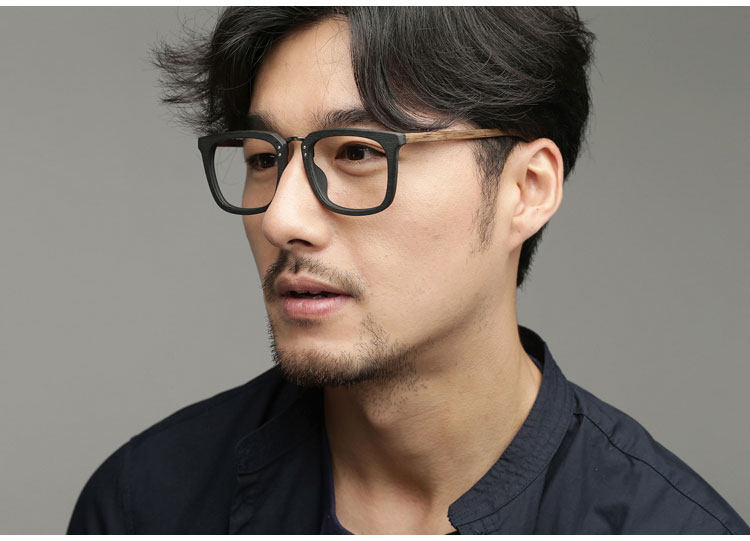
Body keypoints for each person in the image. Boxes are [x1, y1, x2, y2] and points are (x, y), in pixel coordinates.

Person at [67, 7, 749, 534]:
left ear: (527, 189)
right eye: (263, 158)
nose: (281, 218)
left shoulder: (665, 525)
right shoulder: (145, 504)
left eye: (358, 151)